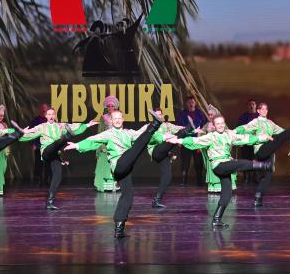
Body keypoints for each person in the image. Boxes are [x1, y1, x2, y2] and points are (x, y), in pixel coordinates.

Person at [65, 109, 163, 238]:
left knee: (128, 196)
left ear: (123, 119)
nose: (117, 120)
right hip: (119, 166)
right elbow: (93, 139)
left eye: (119, 118)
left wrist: (161, 136)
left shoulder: (129, 133)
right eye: (114, 118)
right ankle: (155, 124)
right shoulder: (108, 134)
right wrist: (77, 145)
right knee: (135, 149)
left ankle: (119, 228)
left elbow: (142, 136)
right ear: (111, 121)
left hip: (126, 169)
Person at [166, 114, 272, 229]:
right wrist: (178, 140)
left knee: (227, 194)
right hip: (219, 165)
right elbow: (195, 140)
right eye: (218, 124)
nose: (220, 125)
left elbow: (244, 138)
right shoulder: (211, 136)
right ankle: (262, 165)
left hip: (226, 166)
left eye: (222, 123)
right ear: (214, 126)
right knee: (238, 163)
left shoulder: (229, 134)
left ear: (224, 123)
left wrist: (261, 138)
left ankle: (216, 220)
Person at [17, 107, 96, 209]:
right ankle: (67, 137)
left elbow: (73, 126)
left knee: (58, 176)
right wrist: (20, 133)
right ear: (46, 116)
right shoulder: (42, 126)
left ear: (54, 116)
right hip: (46, 152)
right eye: (49, 114)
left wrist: (87, 125)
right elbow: (30, 133)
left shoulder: (60, 126)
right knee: (55, 145)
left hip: (55, 155)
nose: (51, 116)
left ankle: (50, 202)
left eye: (52, 114)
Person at [234, 101, 290, 206]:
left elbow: (283, 132)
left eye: (266, 109)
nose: (264, 111)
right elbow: (245, 127)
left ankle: (258, 197)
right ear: (258, 111)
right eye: (262, 109)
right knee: (276, 140)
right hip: (261, 150)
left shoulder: (271, 123)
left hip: (270, 151)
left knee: (267, 176)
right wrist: (232, 132)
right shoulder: (256, 122)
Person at [146, 107, 194, 208]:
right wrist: (167, 136)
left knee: (168, 176)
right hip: (156, 151)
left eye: (160, 114)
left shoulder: (167, 125)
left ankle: (157, 200)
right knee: (169, 142)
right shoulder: (150, 126)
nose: (159, 116)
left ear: (162, 115)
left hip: (164, 154)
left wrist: (193, 130)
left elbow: (178, 128)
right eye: (156, 115)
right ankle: (187, 129)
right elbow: (155, 138)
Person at [176, 95, 208, 185]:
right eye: (189, 102)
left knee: (198, 162)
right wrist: (179, 140)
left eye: (192, 102)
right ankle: (184, 181)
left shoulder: (200, 114)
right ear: (186, 103)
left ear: (195, 103)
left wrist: (202, 141)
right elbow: (178, 127)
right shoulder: (182, 114)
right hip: (185, 141)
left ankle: (199, 181)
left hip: (197, 142)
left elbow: (204, 128)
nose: (191, 104)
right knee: (185, 162)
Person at [93, 94, 120, 192]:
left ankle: (112, 186)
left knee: (114, 166)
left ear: (115, 107)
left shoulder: (118, 117)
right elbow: (100, 132)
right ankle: (102, 186)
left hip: (115, 144)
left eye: (112, 106)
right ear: (106, 107)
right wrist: (102, 145)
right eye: (108, 106)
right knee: (104, 166)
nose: (110, 108)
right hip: (105, 144)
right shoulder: (103, 118)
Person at [27, 103, 50, 187]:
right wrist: (33, 144)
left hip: (48, 145)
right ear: (39, 110)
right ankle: (38, 180)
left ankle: (47, 180)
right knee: (38, 163)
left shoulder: (50, 120)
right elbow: (30, 133)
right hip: (38, 145)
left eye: (45, 109)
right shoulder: (35, 121)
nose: (44, 110)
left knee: (47, 163)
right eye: (42, 109)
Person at [235, 99, 258, 184]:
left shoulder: (259, 116)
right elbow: (239, 129)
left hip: (256, 142)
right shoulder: (243, 117)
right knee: (245, 160)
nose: (251, 106)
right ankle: (246, 177)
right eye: (250, 104)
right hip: (245, 142)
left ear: (256, 106)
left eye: (253, 104)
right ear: (247, 106)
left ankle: (255, 177)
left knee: (256, 159)